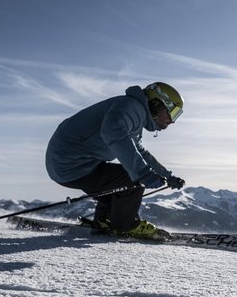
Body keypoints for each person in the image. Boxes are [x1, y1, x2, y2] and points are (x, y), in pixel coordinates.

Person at [45, 82, 185, 238]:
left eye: (177, 114)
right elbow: (113, 132)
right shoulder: (131, 108)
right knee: (132, 181)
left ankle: (105, 221)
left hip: (71, 164)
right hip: (71, 165)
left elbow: (141, 151)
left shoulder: (133, 113)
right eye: (172, 111)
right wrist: (143, 174)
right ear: (156, 103)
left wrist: (167, 175)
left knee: (118, 189)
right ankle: (125, 226)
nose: (172, 120)